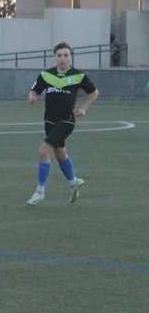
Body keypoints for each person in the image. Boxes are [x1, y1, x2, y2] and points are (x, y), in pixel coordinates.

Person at [26, 41, 99, 206]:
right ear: (55, 57)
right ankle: (74, 183)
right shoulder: (46, 75)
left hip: (67, 121)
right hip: (49, 121)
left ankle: (40, 191)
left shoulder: (79, 76)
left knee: (44, 151)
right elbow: (34, 90)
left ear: (70, 57)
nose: (62, 58)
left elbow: (94, 93)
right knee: (60, 154)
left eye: (66, 55)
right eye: (59, 55)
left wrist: (83, 108)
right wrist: (32, 96)